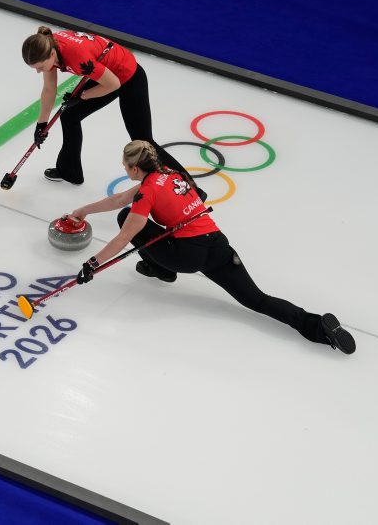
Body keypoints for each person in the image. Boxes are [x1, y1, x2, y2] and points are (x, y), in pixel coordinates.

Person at [65, 140, 355, 354]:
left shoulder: (147, 190)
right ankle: (318, 328)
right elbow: (118, 198)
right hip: (217, 244)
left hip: (186, 255)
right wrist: (84, 210)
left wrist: (92, 264)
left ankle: (161, 268)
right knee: (257, 299)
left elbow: (125, 234)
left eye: (125, 166)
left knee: (126, 218)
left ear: (135, 168)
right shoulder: (169, 174)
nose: (124, 169)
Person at [22, 26, 198, 192]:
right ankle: (70, 171)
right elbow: (49, 89)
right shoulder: (48, 45)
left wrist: (84, 96)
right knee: (70, 115)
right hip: (106, 74)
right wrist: (41, 124)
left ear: (52, 54)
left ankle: (192, 189)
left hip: (128, 78)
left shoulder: (76, 56)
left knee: (143, 140)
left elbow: (113, 84)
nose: (39, 71)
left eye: (40, 67)